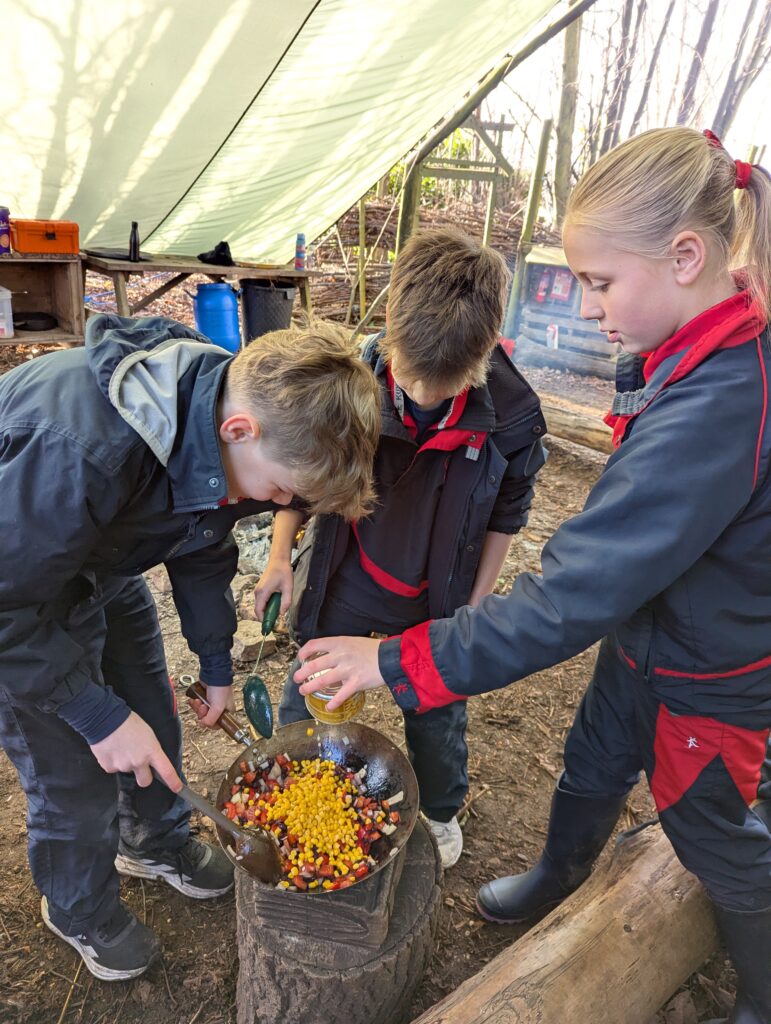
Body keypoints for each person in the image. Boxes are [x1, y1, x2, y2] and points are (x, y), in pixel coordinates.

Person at [293, 128, 771, 1023]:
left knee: (710, 831)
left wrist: (389, 663)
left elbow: (566, 598)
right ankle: (557, 876)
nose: (586, 308)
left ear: (685, 256)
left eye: (598, 282)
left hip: (713, 671)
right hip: (651, 635)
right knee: (593, 759)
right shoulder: (691, 350)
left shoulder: (723, 401)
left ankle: (762, 990)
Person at [0, 314, 379, 981]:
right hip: (18, 595)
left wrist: (213, 661)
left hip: (100, 560)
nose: (277, 505)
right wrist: (95, 714)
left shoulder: (226, 409)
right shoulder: (78, 448)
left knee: (151, 700)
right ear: (239, 432)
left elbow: (203, 542)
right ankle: (79, 907)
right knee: (74, 766)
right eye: (280, 493)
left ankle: (153, 840)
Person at [255, 227, 546, 867]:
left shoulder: (515, 418)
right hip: (348, 579)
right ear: (390, 321)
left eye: (441, 390)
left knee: (438, 713)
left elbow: (508, 512)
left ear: (486, 352)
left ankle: (441, 811)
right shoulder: (347, 384)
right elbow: (302, 479)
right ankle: (296, 787)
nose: (420, 397)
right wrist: (281, 556)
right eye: (412, 381)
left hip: (437, 596)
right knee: (309, 690)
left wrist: (472, 608)